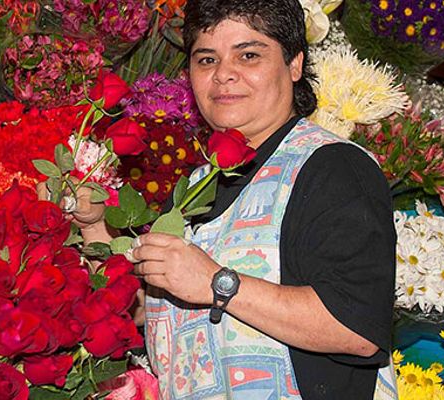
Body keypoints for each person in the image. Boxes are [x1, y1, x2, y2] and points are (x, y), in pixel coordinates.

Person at [70, 0, 397, 398]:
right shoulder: (199, 181)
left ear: (294, 64)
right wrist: (93, 226)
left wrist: (216, 282)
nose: (224, 74)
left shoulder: (333, 168)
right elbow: (151, 314)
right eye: (206, 59)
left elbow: (357, 327)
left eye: (249, 55)